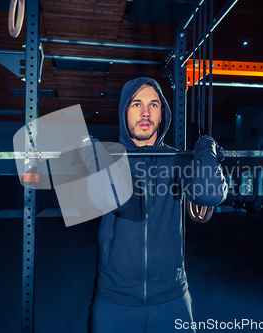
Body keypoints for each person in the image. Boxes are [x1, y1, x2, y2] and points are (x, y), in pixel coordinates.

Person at [81, 77, 228, 332]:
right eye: (136, 104)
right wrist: (90, 152)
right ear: (124, 112)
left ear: (162, 115)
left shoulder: (178, 160)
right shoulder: (109, 158)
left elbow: (210, 193)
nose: (146, 112)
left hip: (172, 298)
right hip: (114, 300)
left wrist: (206, 147)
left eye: (154, 105)